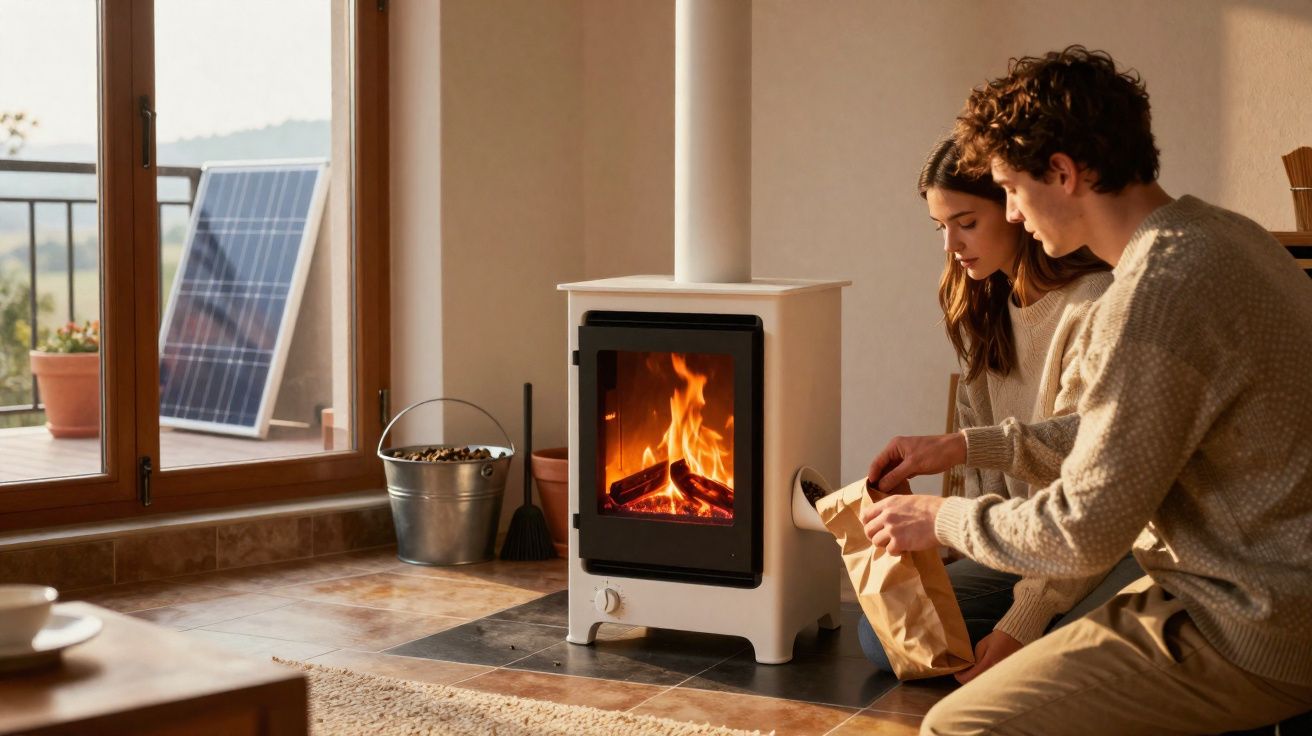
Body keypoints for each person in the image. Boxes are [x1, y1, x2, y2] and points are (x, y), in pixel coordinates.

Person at [861, 46, 1312, 734]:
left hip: (1253, 619)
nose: (1012, 215)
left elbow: (1079, 532)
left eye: (1011, 190)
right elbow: (1127, 426)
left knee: (958, 727)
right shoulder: (1223, 236)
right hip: (1256, 586)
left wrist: (937, 519)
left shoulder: (1151, 295)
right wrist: (963, 445)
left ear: (1064, 173)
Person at [857, 137, 1141, 684]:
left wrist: (1022, 619)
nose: (951, 246)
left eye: (965, 222)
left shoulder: (1095, 303)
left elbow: (1088, 496)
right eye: (940, 227)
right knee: (883, 636)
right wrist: (945, 546)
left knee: (1052, 668)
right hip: (1020, 544)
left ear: (1014, 209)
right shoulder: (987, 308)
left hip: (1098, 546)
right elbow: (988, 480)